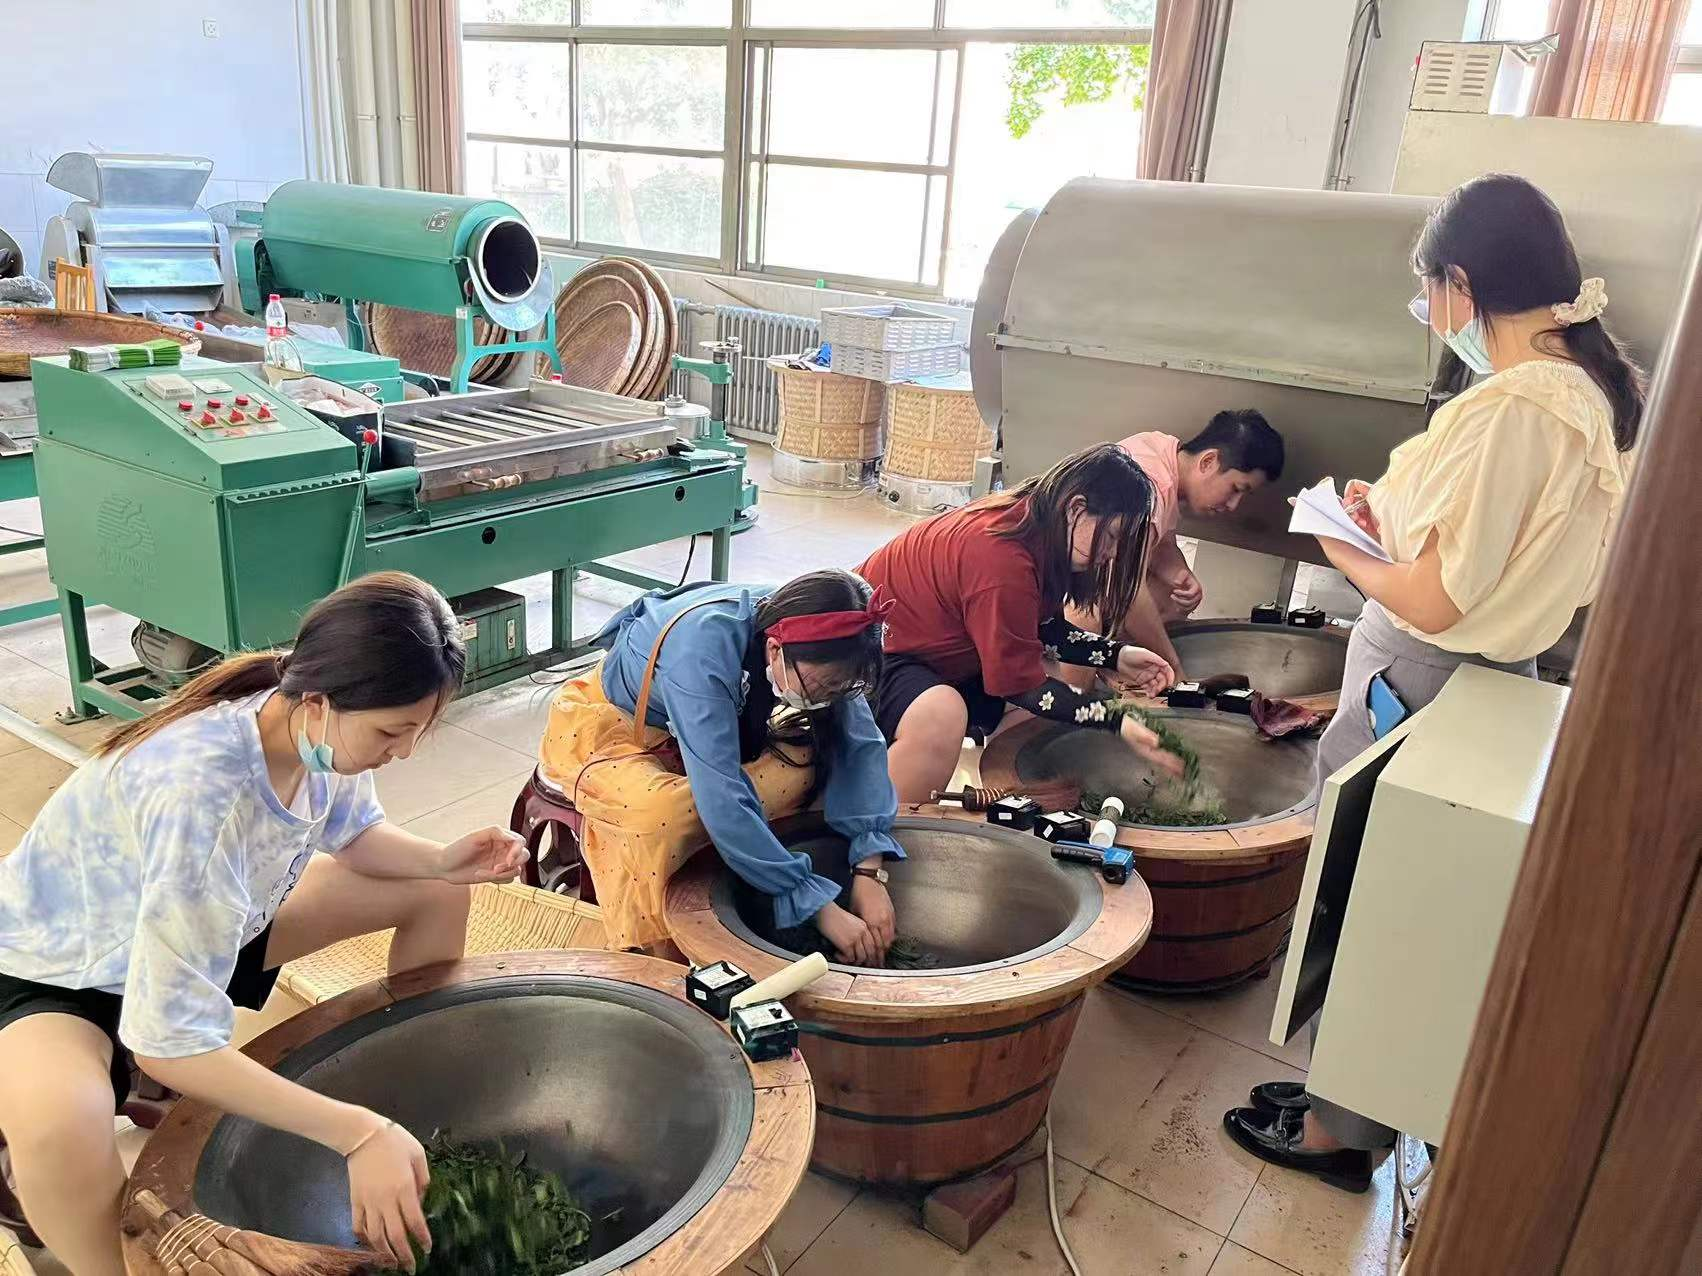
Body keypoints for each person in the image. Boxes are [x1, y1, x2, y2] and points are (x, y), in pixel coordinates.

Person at [1227, 172, 1643, 1192]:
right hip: (1491, 681)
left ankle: (1339, 1133)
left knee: (1369, 897)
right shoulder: (1580, 391)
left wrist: (1341, 544)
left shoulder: (1516, 408)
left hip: (1423, 673)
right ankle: (1349, 1097)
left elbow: (1439, 597)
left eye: (1429, 293)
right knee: (1404, 897)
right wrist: (1388, 514)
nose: (1431, 314)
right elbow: (1482, 549)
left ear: (1462, 283)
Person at [0, 572, 529, 1273]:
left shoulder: (309, 726)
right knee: (59, 1126)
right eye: (392, 732)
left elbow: (354, 834)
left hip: (212, 924)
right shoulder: (201, 796)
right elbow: (167, 1043)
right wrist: (351, 1133)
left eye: (413, 732)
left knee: (435, 892)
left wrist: (441, 861)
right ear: (319, 702)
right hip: (63, 969)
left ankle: (414, 1114)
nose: (401, 751)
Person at [538, 570, 902, 966]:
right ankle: (667, 944)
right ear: (775, 649)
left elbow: (862, 744)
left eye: (839, 689)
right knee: (666, 815)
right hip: (619, 730)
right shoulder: (700, 651)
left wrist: (869, 870)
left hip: (707, 727)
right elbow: (723, 795)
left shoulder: (824, 639)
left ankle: (757, 863)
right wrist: (818, 906)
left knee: (811, 765)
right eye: (823, 687)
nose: (828, 698)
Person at [858, 443, 1183, 806]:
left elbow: (1045, 628)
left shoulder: (1038, 525)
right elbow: (1022, 685)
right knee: (941, 714)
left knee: (1041, 704)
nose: (1112, 554)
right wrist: (1114, 718)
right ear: (1076, 508)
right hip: (867, 655)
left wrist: (1116, 656)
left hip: (929, 651)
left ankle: (1012, 799)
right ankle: (887, 823)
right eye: (1111, 536)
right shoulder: (1002, 560)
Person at [1075, 411, 1286, 679]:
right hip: (1050, 586)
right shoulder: (1151, 487)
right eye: (1236, 489)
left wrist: (1176, 572)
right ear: (1208, 461)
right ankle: (1079, 690)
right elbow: (1127, 593)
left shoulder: (1161, 450)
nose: (1234, 505)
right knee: (1084, 618)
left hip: (1086, 574)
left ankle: (1120, 666)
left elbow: (1156, 540)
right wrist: (1175, 670)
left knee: (1169, 593)